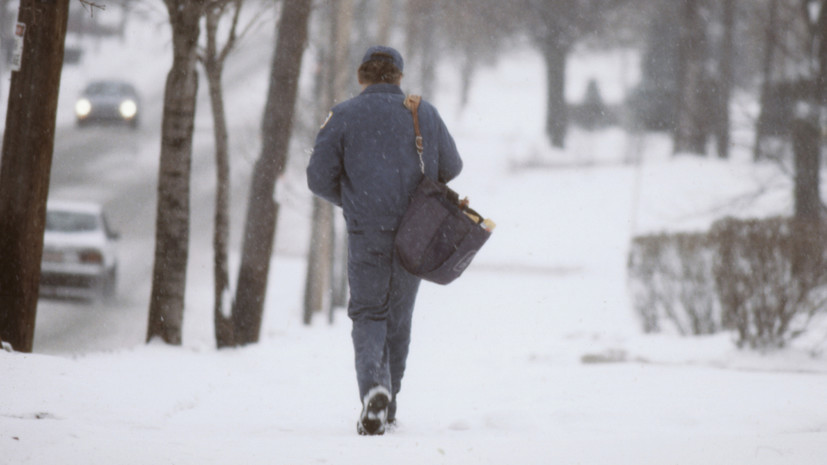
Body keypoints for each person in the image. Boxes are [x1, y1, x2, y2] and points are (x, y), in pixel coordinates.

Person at [306, 45, 463, 435]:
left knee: (368, 314)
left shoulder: (343, 116)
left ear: (363, 76)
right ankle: (389, 403)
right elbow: (452, 166)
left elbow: (317, 177)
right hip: (416, 231)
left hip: (366, 231)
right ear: (397, 76)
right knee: (398, 317)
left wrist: (354, 199)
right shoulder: (421, 112)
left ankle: (374, 388)